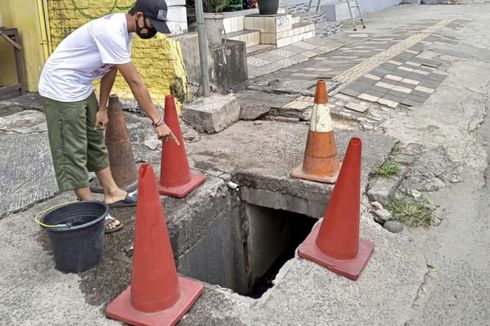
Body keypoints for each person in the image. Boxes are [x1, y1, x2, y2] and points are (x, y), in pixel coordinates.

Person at [38, 0, 178, 233]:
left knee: (95, 139)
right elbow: (135, 82)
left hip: (81, 86)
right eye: (152, 24)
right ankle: (88, 208)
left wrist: (102, 108)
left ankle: (112, 193)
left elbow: (110, 69)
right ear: (139, 15)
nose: (152, 30)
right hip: (60, 88)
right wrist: (158, 121)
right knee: (72, 148)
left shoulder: (126, 33)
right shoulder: (111, 31)